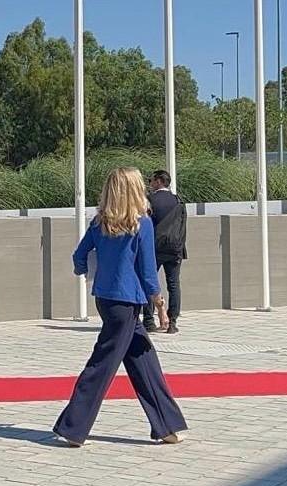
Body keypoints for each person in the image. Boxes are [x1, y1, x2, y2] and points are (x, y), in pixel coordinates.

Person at [53, 166, 187, 447]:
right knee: (102, 364)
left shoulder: (99, 222)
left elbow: (79, 256)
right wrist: (159, 303)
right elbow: (148, 272)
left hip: (106, 299)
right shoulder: (142, 224)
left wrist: (86, 270)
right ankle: (73, 427)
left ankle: (167, 425)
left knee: (144, 359)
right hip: (127, 302)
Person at [142, 170, 186, 334]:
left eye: (151, 180)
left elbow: (144, 224)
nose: (150, 183)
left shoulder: (150, 200)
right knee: (174, 284)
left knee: (148, 282)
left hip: (154, 248)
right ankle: (172, 322)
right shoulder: (178, 200)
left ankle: (149, 321)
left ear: (159, 181)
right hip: (175, 248)